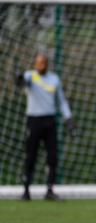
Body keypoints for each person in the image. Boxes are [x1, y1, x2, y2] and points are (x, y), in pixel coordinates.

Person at [15, 54, 77, 201]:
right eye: (37, 62)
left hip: (49, 121)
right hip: (34, 120)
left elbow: (61, 102)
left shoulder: (54, 79)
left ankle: (49, 189)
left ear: (47, 64)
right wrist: (19, 79)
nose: (39, 65)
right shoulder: (31, 75)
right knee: (31, 155)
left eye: (42, 62)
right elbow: (23, 81)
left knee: (53, 155)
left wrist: (69, 120)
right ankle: (26, 190)